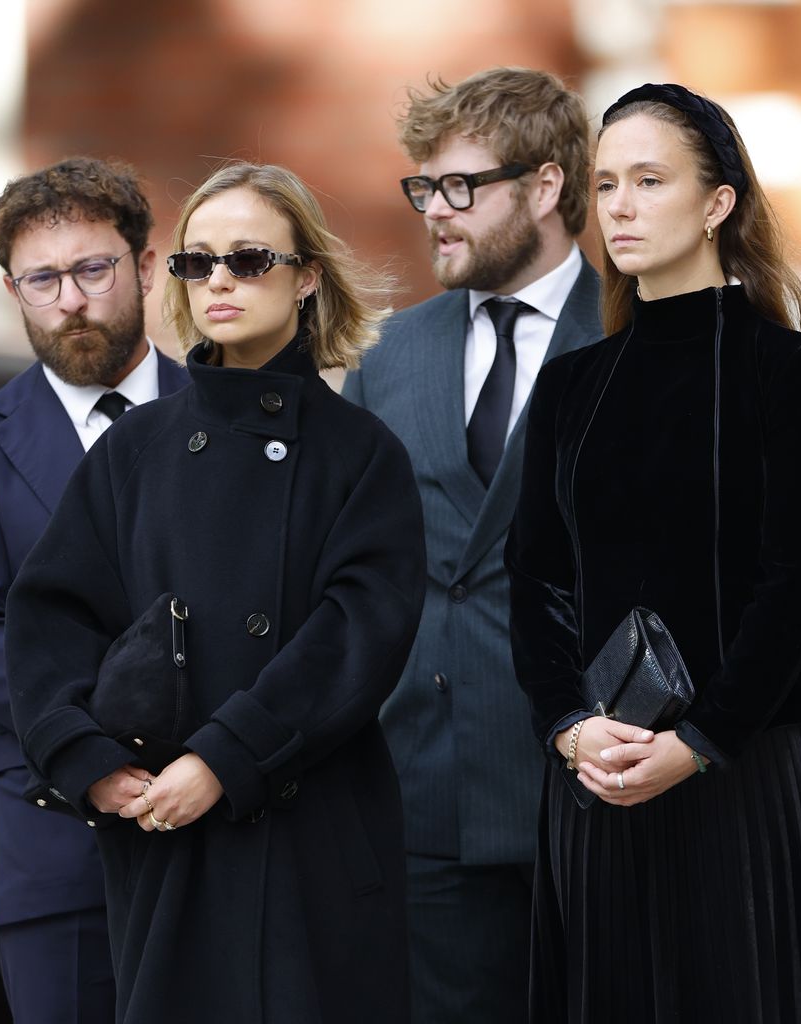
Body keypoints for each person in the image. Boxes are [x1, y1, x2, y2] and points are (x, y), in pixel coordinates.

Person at [3, 161, 427, 1024]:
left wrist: (226, 758)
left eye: (249, 259)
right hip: (169, 837)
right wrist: (92, 763)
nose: (219, 281)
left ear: (307, 275)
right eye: (198, 263)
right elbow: (51, 614)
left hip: (312, 838)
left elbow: (357, 636)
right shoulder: (135, 448)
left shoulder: (361, 452)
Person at [505, 82, 801, 1022]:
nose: (621, 208)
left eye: (649, 180)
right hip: (603, 781)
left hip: (747, 775)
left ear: (718, 203)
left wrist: (701, 740)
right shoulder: (572, 387)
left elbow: (795, 586)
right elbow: (535, 578)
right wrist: (568, 726)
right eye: (605, 185)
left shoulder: (791, 371)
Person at [342, 66, 601, 1023]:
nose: (436, 213)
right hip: (425, 795)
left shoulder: (639, 334)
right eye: (424, 189)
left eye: (462, 188)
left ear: (544, 187)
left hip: (597, 788)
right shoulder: (387, 356)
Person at [0, 156, 188, 1024]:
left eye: (92, 268)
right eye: (43, 278)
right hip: (53, 830)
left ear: (143, 267)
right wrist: (95, 760)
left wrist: (213, 762)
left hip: (221, 826)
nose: (70, 299)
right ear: (14, 290)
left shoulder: (225, 414)